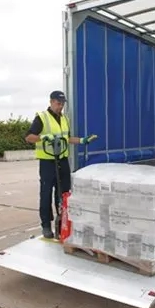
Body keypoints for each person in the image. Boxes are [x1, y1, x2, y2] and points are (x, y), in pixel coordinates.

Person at [25, 90, 97, 238]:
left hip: (62, 161)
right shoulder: (42, 118)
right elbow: (29, 137)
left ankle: (62, 223)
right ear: (51, 102)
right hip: (48, 162)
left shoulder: (64, 118)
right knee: (46, 194)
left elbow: (67, 138)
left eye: (62, 104)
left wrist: (83, 140)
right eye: (58, 103)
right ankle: (46, 225)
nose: (60, 107)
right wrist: (44, 137)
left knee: (64, 193)